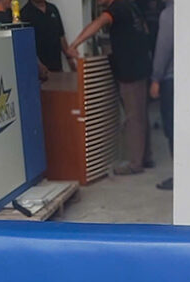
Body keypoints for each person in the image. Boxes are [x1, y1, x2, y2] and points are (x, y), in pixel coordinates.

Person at [67, 0, 153, 175]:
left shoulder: (116, 8)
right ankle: (146, 157)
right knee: (140, 114)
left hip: (130, 70)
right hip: (140, 66)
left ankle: (135, 163)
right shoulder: (131, 6)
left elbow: (98, 23)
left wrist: (75, 44)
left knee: (133, 117)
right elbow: (145, 30)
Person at [149, 0, 172, 190]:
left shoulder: (169, 15)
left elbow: (163, 47)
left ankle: (180, 175)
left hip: (172, 79)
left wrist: (156, 78)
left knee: (173, 129)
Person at [21, 0, 77, 73]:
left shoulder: (53, 9)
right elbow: (26, 45)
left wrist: (70, 59)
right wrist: (38, 64)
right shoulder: (24, 13)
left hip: (57, 67)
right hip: (39, 71)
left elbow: (61, 36)